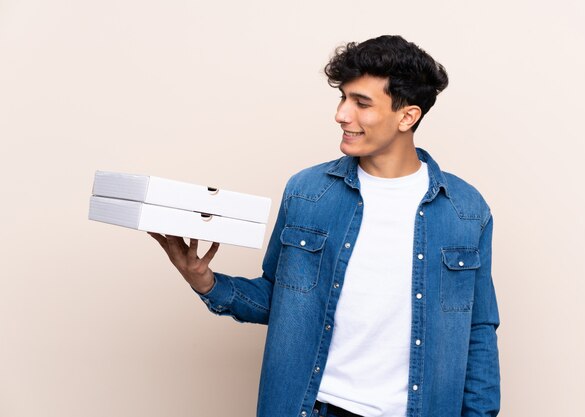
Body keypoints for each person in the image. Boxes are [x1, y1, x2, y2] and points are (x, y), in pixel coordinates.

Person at [149, 35, 500, 417]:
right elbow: (280, 298)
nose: (342, 115)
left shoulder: (466, 210)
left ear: (407, 116)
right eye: (343, 98)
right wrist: (207, 282)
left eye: (361, 103)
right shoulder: (307, 192)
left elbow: (478, 331)